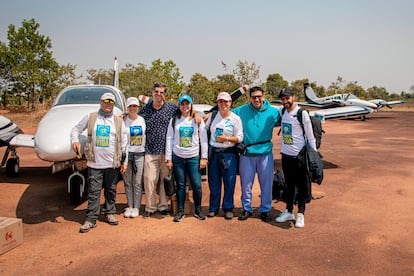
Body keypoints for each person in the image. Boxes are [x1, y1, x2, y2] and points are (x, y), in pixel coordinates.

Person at [71, 92, 128, 233]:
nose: (108, 104)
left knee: (111, 190)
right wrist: (75, 140)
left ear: (113, 105)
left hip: (111, 163)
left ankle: (110, 213)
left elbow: (125, 143)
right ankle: (91, 219)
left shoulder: (118, 121)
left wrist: (124, 161)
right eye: (105, 101)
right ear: (100, 102)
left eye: (111, 102)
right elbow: (75, 129)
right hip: (95, 163)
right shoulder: (91, 117)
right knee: (94, 192)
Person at [232, 86, 280, 222]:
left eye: (259, 96)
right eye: (254, 97)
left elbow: (290, 115)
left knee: (266, 184)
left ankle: (265, 209)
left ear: (263, 97)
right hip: (247, 154)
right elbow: (225, 111)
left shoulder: (274, 112)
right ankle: (246, 209)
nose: (256, 99)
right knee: (246, 184)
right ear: (250, 98)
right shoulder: (241, 111)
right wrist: (208, 114)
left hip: (265, 153)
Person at [275, 87, 316, 228]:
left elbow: (310, 137)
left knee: (302, 185)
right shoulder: (282, 111)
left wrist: (314, 156)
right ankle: (289, 210)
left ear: (294, 97)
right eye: (283, 98)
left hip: (299, 156)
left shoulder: (301, 113)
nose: (285, 101)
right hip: (286, 155)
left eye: (287, 98)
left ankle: (301, 213)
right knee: (289, 184)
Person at [165, 94, 208, 222]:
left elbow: (203, 139)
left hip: (193, 157)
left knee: (196, 185)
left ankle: (198, 209)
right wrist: (169, 158)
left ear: (191, 105)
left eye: (187, 104)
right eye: (182, 104)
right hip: (178, 157)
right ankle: (181, 210)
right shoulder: (174, 120)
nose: (185, 106)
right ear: (179, 106)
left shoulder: (196, 120)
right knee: (181, 185)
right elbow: (169, 139)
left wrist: (204, 157)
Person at [139, 82, 177, 218]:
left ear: (164, 95)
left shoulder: (171, 108)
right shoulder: (144, 109)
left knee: (163, 181)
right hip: (150, 150)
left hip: (166, 151)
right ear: (152, 93)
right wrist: (124, 116)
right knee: (149, 180)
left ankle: (163, 206)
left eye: (162, 92)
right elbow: (134, 118)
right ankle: (150, 207)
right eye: (156, 92)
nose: (159, 94)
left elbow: (187, 110)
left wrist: (196, 114)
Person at [206, 92, 243, 220]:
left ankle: (228, 208)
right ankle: (213, 208)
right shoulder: (212, 117)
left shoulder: (235, 119)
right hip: (214, 153)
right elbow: (202, 130)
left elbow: (240, 137)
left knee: (229, 181)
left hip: (229, 154)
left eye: (226, 101)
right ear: (217, 103)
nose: (223, 104)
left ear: (230, 102)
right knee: (214, 182)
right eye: (220, 101)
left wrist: (226, 139)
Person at [122, 97, 146, 218]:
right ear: (127, 108)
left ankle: (136, 206)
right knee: (127, 182)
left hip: (139, 154)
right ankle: (130, 206)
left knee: (137, 182)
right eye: (130, 106)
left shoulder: (142, 120)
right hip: (127, 154)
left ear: (138, 107)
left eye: (135, 106)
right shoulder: (123, 120)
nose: (133, 108)